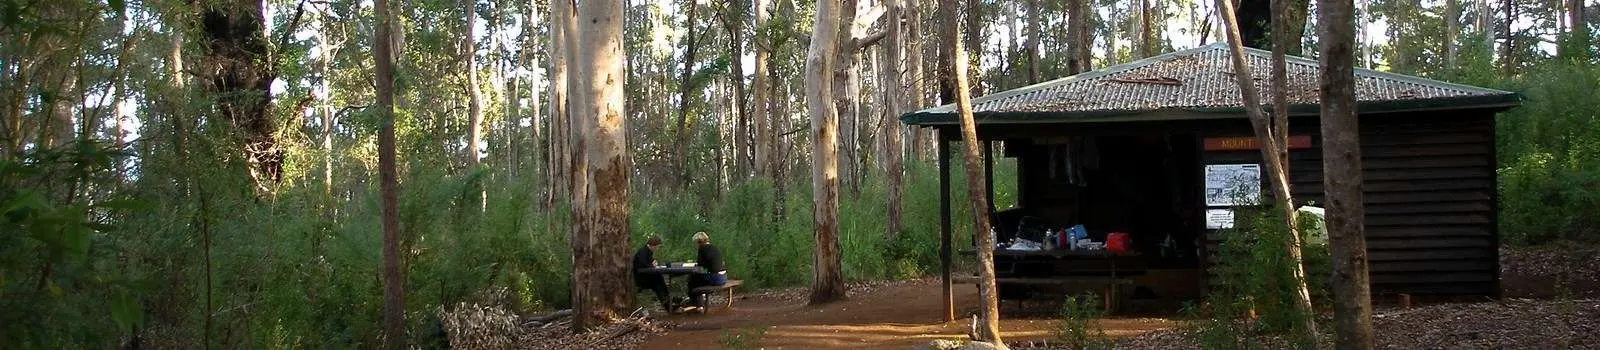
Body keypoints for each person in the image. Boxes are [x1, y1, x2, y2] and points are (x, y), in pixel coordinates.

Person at [685, 231, 726, 309]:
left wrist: (694, 266)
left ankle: (695, 303)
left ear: (698, 242)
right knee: (697, 279)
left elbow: (700, 266)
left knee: (692, 278)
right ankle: (699, 303)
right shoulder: (714, 247)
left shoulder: (702, 248)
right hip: (723, 277)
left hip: (716, 278)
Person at [632, 235, 673, 311]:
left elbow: (650, 262)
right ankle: (666, 301)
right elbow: (643, 264)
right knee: (657, 281)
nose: (657, 248)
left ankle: (667, 300)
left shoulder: (648, 251)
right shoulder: (642, 252)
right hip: (641, 278)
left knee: (659, 278)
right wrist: (652, 265)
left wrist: (654, 263)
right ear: (653, 245)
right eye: (657, 246)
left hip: (647, 276)